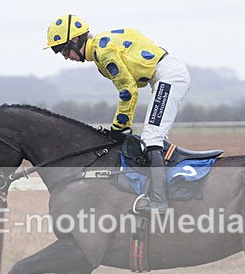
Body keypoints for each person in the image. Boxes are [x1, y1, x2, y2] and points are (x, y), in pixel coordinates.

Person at [44, 14, 191, 213]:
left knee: (152, 139)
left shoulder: (103, 52)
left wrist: (119, 128)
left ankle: (160, 202)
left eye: (64, 51)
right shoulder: (100, 48)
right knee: (153, 138)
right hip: (164, 74)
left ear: (76, 39)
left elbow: (128, 91)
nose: (66, 58)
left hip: (168, 76)